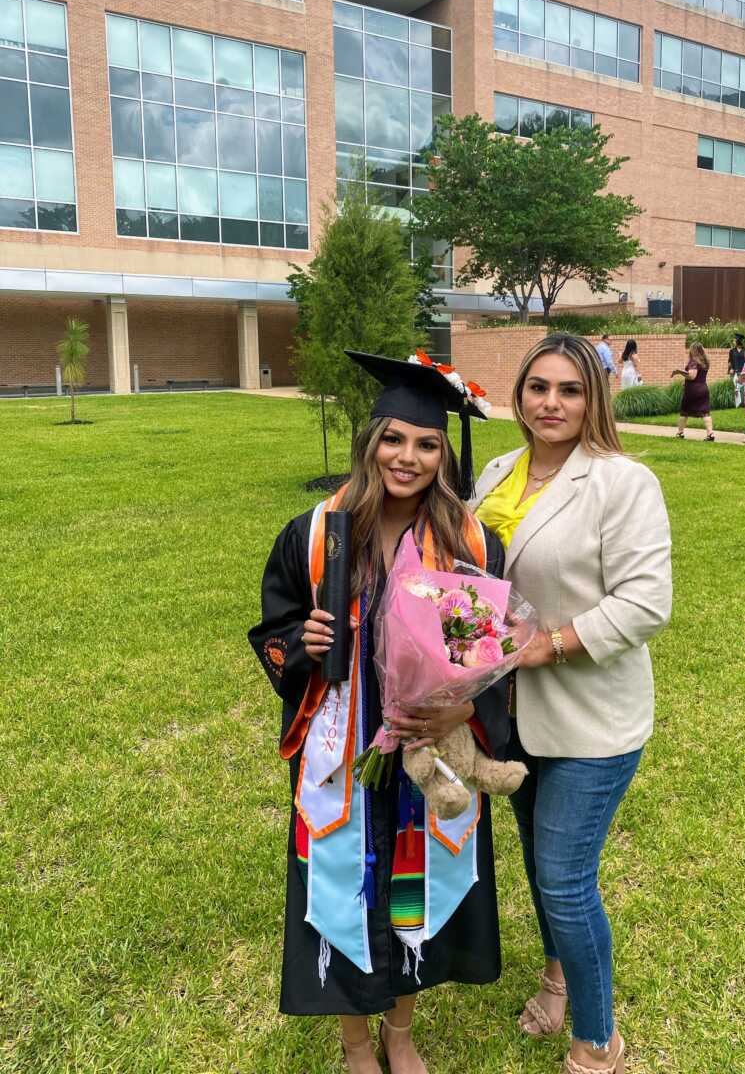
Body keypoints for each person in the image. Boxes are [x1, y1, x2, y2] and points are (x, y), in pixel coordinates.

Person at [248, 351, 508, 1074]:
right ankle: (355, 1041)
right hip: (343, 742)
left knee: (409, 884)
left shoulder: (469, 541)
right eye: (394, 439)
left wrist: (461, 702)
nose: (409, 457)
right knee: (349, 883)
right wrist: (300, 644)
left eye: (427, 444)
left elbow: (484, 657)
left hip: (426, 741)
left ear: (443, 454)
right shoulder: (315, 534)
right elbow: (273, 633)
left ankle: (400, 1031)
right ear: (370, 443)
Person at [472, 333, 672, 1074]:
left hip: (592, 717)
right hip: (511, 715)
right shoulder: (496, 472)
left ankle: (598, 1041)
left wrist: (549, 645)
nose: (550, 403)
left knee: (564, 877)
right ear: (518, 394)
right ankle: (556, 976)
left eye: (569, 390)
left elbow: (647, 604)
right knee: (535, 859)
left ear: (594, 398)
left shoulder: (623, 482)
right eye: (537, 387)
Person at [673, 342, 715, 440]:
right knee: (705, 412)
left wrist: (679, 372)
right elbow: (699, 376)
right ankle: (710, 434)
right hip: (703, 388)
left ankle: (680, 433)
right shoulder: (705, 362)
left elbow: (692, 376)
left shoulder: (693, 362)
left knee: (684, 412)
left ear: (693, 351)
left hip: (693, 390)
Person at [728, 333, 745, 415]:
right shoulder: (732, 351)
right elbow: (730, 361)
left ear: (738, 341)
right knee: (736, 388)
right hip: (735, 372)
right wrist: (730, 369)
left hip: (744, 372)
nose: (733, 341)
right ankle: (737, 404)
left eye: (735, 340)